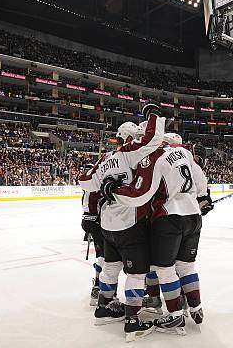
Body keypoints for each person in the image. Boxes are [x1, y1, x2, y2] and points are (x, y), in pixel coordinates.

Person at [101, 136, 208, 336]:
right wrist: (203, 199)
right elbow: (201, 182)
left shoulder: (154, 156)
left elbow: (143, 192)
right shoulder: (185, 153)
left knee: (165, 269)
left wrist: (115, 189)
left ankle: (175, 314)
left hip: (168, 217)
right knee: (186, 266)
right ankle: (195, 306)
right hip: (193, 215)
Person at [78, 103, 165, 342]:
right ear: (128, 139)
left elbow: (84, 181)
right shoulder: (129, 152)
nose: (137, 139)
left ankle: (104, 308)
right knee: (136, 274)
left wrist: (105, 184)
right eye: (134, 137)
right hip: (130, 223)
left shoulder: (105, 160)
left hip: (108, 226)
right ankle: (132, 321)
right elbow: (153, 138)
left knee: (110, 268)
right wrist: (152, 113)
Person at [80, 162, 106, 306]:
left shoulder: (87, 181)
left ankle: (97, 286)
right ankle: (98, 287)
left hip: (89, 221)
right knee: (106, 257)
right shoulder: (97, 182)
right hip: (96, 222)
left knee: (102, 255)